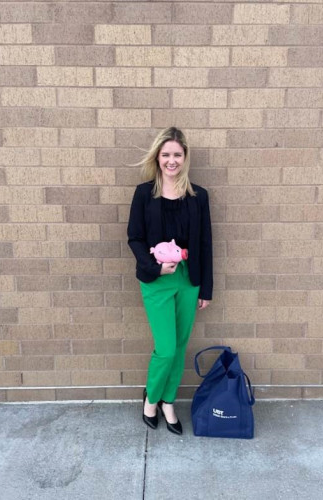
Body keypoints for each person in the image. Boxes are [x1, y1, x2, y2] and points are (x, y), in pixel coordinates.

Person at [127, 127, 213, 435]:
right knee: (165, 348)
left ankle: (168, 401)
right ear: (157, 157)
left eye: (177, 154)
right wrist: (155, 266)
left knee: (179, 345)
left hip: (189, 281)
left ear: (185, 157)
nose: (171, 161)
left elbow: (205, 244)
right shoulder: (144, 194)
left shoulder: (198, 196)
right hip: (156, 282)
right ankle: (151, 397)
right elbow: (134, 238)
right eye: (166, 155)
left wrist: (206, 288)